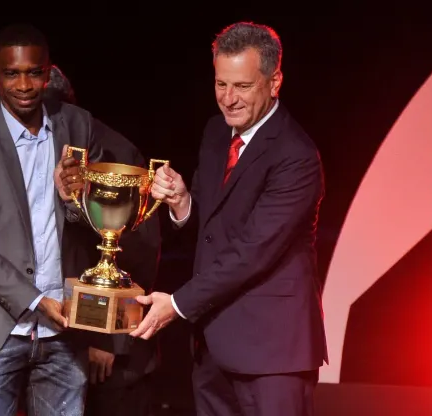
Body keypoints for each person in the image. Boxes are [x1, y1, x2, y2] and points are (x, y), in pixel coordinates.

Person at [130, 22, 328, 416]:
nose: (229, 99)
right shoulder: (217, 134)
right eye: (221, 84)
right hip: (213, 346)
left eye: (242, 86)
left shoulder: (296, 157)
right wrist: (183, 202)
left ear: (274, 83)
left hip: (273, 356)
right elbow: (212, 232)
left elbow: (252, 252)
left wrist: (178, 305)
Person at [0, 23, 107, 416]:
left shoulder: (77, 125)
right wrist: (35, 300)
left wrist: (74, 199)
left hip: (65, 330)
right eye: (12, 73)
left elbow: (96, 226)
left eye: (34, 72)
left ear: (48, 72)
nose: (24, 85)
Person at [45, 65, 162, 416]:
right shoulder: (31, 155)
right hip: (60, 343)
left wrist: (107, 336)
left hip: (109, 358)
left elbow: (141, 251)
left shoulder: (113, 156)